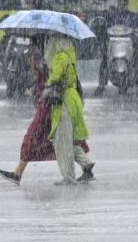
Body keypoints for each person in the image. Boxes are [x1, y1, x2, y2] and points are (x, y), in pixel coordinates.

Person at [0, 35, 93, 185]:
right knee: (62, 141)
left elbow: (51, 80)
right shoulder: (61, 57)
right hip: (55, 104)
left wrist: (43, 79)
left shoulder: (53, 60)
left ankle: (19, 173)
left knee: (36, 139)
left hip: (50, 105)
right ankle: (86, 165)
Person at [43, 34, 94, 185]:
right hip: (74, 99)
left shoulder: (59, 57)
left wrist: (48, 81)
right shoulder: (69, 56)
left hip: (64, 101)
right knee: (70, 141)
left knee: (62, 142)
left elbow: (56, 77)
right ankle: (85, 163)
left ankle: (68, 177)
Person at [95, 0, 138, 95]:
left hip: (128, 43)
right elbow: (104, 24)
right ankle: (101, 85)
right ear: (117, 4)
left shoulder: (132, 16)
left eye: (124, 4)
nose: (122, 6)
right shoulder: (111, 15)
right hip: (113, 42)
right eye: (120, 4)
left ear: (127, 5)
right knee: (105, 58)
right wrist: (101, 28)